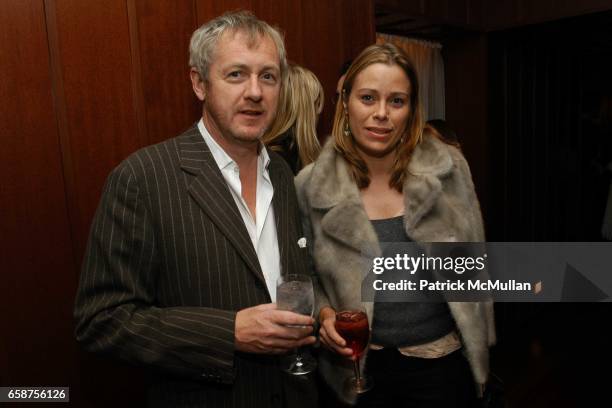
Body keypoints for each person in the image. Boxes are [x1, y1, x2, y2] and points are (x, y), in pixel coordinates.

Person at [74, 11, 317, 408]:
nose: (255, 92)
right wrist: (228, 332)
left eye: (268, 76)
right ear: (199, 83)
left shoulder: (285, 175)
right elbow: (101, 321)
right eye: (236, 74)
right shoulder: (142, 179)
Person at [296, 43, 495, 407]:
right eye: (368, 98)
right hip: (356, 370)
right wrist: (324, 314)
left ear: (412, 109)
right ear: (346, 103)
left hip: (440, 363)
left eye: (397, 101)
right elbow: (306, 275)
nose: (381, 114)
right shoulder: (311, 185)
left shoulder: (449, 171)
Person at [262, 63, 323, 173]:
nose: (319, 111)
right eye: (317, 104)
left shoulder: (276, 152)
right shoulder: (278, 161)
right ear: (307, 109)